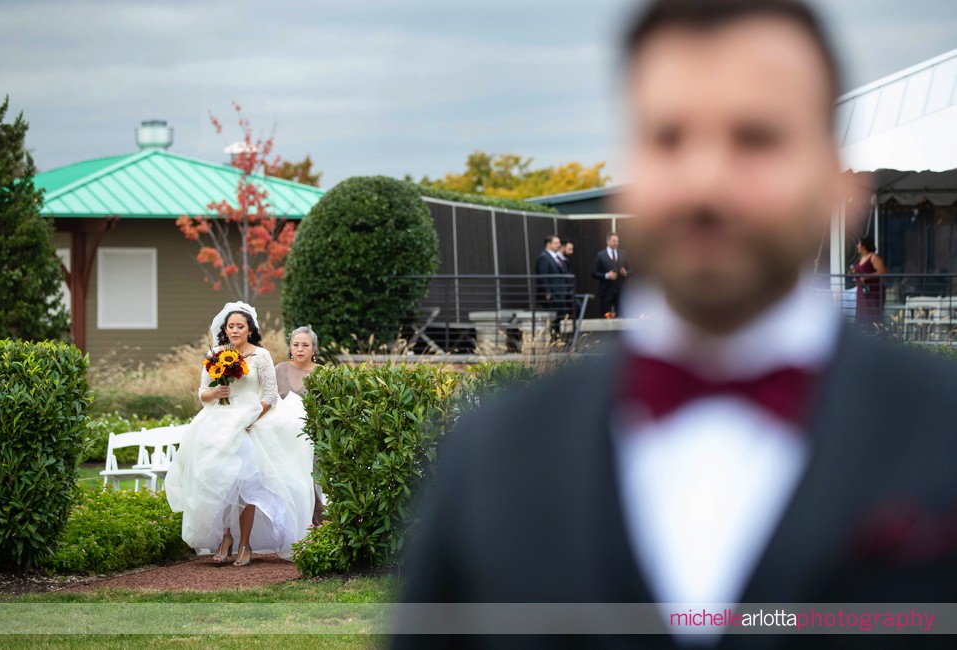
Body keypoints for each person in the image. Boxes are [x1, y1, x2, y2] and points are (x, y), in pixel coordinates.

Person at [396, 0, 957, 644]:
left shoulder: (944, 434)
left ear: (842, 186)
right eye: (668, 137)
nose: (706, 181)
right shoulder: (494, 458)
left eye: (756, 138)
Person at [165, 302, 314, 567]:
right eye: (231, 326)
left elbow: (269, 395)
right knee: (218, 480)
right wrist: (216, 393)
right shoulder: (216, 354)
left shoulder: (261, 356)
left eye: (240, 326)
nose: (235, 330)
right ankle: (225, 538)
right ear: (225, 329)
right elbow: (202, 393)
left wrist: (251, 419)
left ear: (249, 330)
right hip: (218, 422)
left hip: (251, 420)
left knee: (247, 484)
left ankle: (245, 544)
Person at [274, 325, 326, 526]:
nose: (300, 349)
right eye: (296, 345)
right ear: (290, 347)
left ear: (314, 349)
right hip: (282, 438)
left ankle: (316, 520)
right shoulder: (279, 370)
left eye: (305, 345)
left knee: (309, 478)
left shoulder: (322, 373)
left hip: (311, 438)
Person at [534, 234, 569, 336]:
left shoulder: (557, 257)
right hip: (552, 295)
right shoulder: (544, 257)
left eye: (559, 243)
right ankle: (554, 339)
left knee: (561, 317)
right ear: (548, 244)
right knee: (553, 320)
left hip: (560, 294)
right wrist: (547, 292)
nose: (559, 245)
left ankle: (559, 338)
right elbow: (543, 276)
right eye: (556, 243)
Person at [849, 235, 886, 332]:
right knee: (862, 313)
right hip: (863, 291)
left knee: (872, 313)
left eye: (859, 244)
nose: (857, 247)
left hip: (873, 291)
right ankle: (863, 335)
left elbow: (883, 272)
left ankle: (875, 334)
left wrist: (867, 276)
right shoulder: (861, 258)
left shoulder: (873, 257)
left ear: (864, 246)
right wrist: (854, 272)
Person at [591, 232, 629, 316]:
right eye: (614, 241)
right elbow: (593, 273)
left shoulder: (623, 253)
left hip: (620, 291)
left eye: (617, 241)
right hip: (606, 291)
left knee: (620, 315)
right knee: (606, 315)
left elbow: (630, 269)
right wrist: (606, 275)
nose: (616, 243)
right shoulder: (600, 255)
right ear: (607, 241)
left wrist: (626, 273)